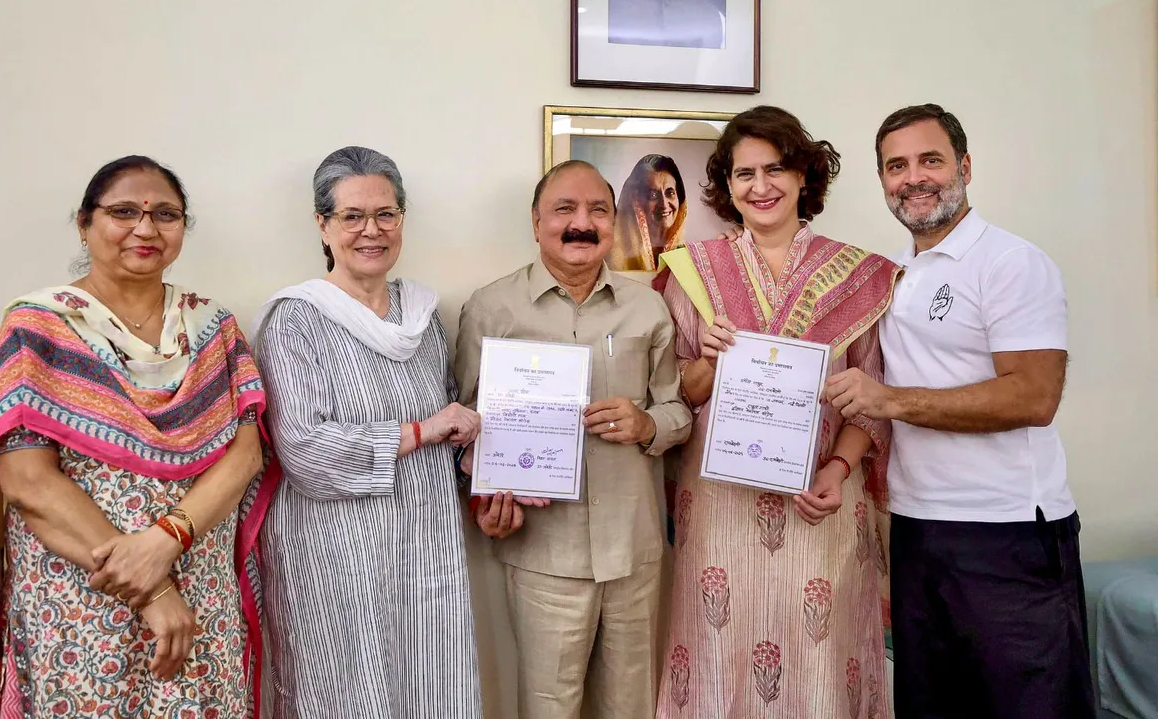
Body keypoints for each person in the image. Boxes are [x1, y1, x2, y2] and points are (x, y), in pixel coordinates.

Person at [0, 155, 279, 719]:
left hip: (197, 585)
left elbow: (246, 453)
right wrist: (151, 590)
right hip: (79, 597)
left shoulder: (212, 327)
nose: (146, 228)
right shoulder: (39, 328)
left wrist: (165, 543)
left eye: (166, 214)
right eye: (124, 211)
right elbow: (27, 482)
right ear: (85, 222)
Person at [824, 103, 1094, 718]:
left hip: (1007, 535)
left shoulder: (1009, 262)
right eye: (896, 166)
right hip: (918, 527)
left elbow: (1033, 395)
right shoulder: (896, 276)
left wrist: (889, 400)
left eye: (930, 160)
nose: (913, 177)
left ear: (965, 167)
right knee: (932, 705)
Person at [651, 106, 900, 718]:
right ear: (726, 185)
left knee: (820, 663)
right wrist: (707, 358)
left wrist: (837, 474)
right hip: (719, 503)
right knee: (717, 653)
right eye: (744, 174)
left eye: (776, 169)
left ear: (804, 177)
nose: (760, 186)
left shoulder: (862, 276)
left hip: (821, 503)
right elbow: (677, 392)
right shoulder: (690, 272)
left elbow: (872, 395)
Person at [453, 159, 693, 719]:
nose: (581, 223)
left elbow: (677, 409)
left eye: (597, 211)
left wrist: (649, 424)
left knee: (629, 707)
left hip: (633, 550)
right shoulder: (491, 309)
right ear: (536, 223)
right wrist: (485, 494)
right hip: (542, 552)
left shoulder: (647, 306)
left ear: (613, 223)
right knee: (547, 707)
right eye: (564, 209)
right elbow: (464, 431)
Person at [252, 146, 484, 719]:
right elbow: (303, 450)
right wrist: (425, 430)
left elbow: (453, 418)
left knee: (434, 682)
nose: (371, 230)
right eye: (352, 216)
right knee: (343, 692)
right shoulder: (295, 319)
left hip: (427, 544)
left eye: (386, 214)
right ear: (323, 226)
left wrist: (482, 462)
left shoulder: (424, 316)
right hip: (334, 553)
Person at [611, 154, 688, 272]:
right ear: (636, 202)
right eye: (653, 195)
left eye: (670, 193)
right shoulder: (615, 258)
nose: (664, 204)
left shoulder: (690, 258)